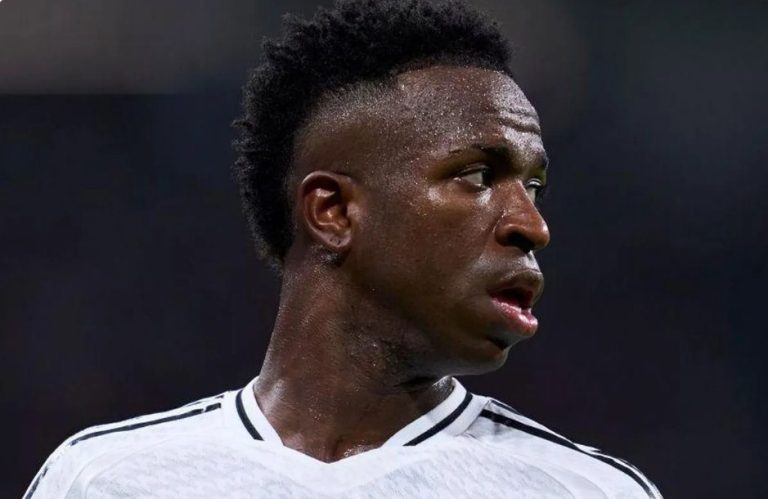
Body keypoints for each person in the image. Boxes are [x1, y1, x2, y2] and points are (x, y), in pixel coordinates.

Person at [25, 0, 661, 497]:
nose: (531, 225)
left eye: (534, 187)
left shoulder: (585, 490)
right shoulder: (105, 480)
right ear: (332, 212)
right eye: (476, 176)